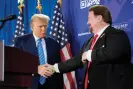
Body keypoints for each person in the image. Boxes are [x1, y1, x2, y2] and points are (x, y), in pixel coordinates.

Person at [46, 5, 133, 89]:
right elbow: (77, 60)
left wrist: (88, 54)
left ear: (99, 18)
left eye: (89, 19)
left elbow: (111, 53)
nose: (88, 22)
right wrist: (54, 68)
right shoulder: (90, 41)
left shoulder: (116, 34)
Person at [14, 14, 63, 89]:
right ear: (32, 27)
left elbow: (58, 65)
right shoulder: (21, 41)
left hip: (51, 85)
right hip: (30, 85)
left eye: (45, 26)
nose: (43, 29)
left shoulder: (54, 43)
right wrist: (35, 69)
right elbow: (16, 64)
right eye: (40, 26)